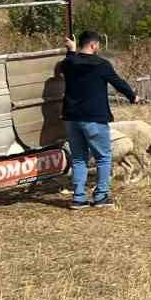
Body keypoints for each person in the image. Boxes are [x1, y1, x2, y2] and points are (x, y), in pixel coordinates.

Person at [59, 29, 136, 210]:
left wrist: (71, 50)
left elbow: (71, 61)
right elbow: (118, 82)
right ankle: (100, 196)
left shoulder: (68, 63)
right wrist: (133, 96)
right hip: (94, 118)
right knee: (103, 157)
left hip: (71, 118)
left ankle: (78, 199)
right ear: (94, 45)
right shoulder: (101, 65)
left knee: (78, 158)